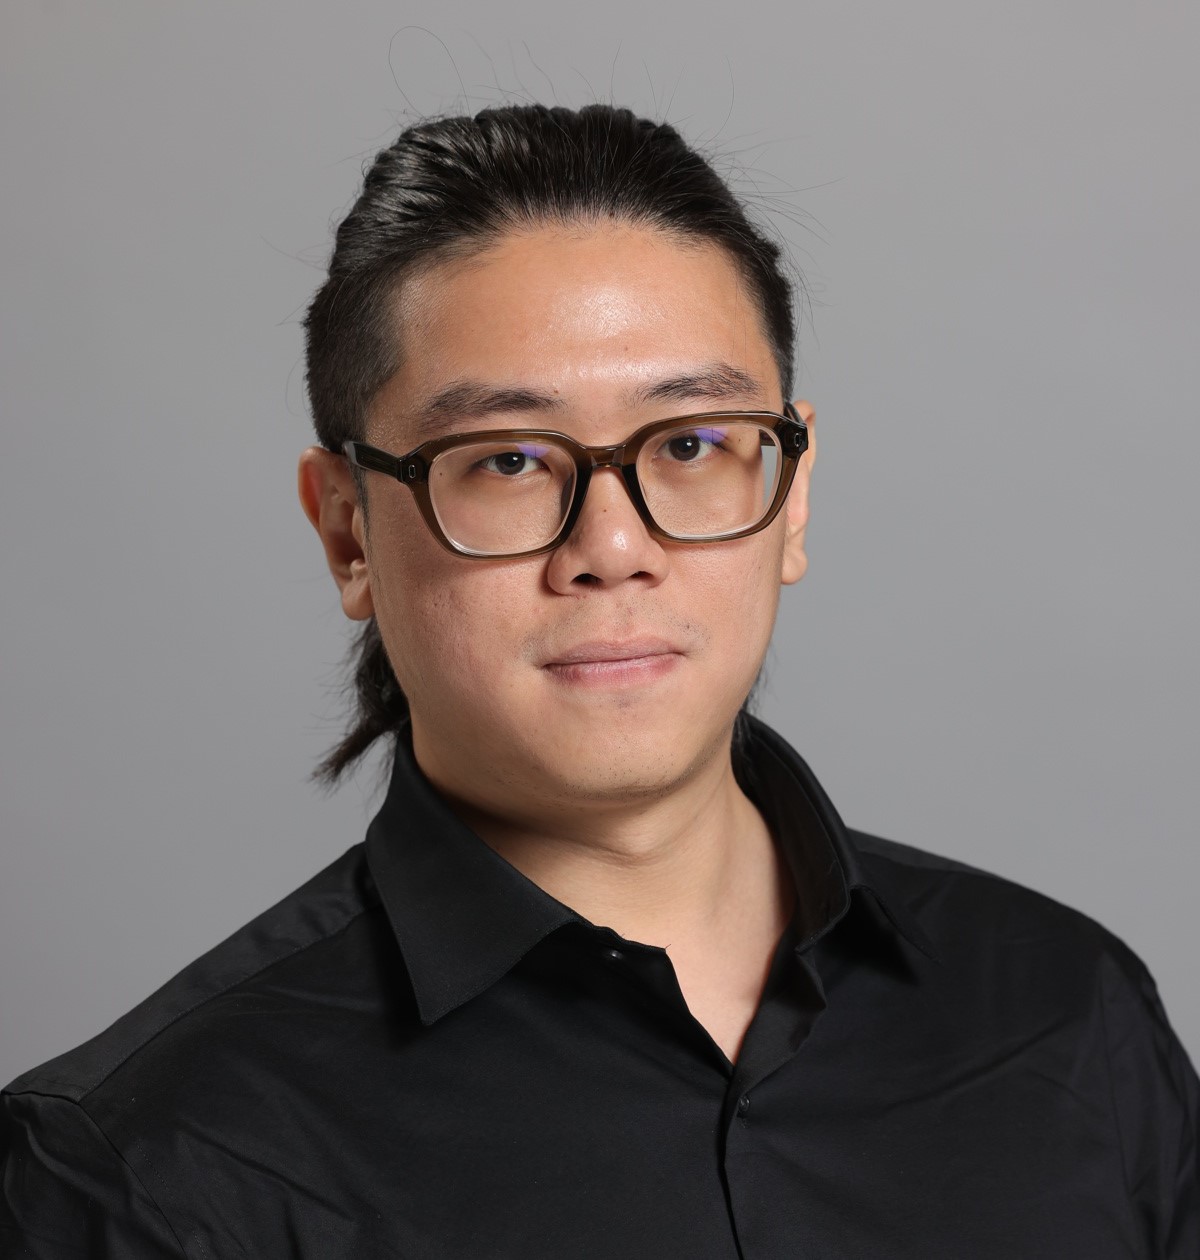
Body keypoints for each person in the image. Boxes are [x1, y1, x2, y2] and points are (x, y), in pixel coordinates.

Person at [1, 102, 1196, 1259]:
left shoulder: (1066, 1007)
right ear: (348, 532)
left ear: (791, 494)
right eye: (507, 461)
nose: (612, 547)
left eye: (690, 444)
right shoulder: (140, 1169)